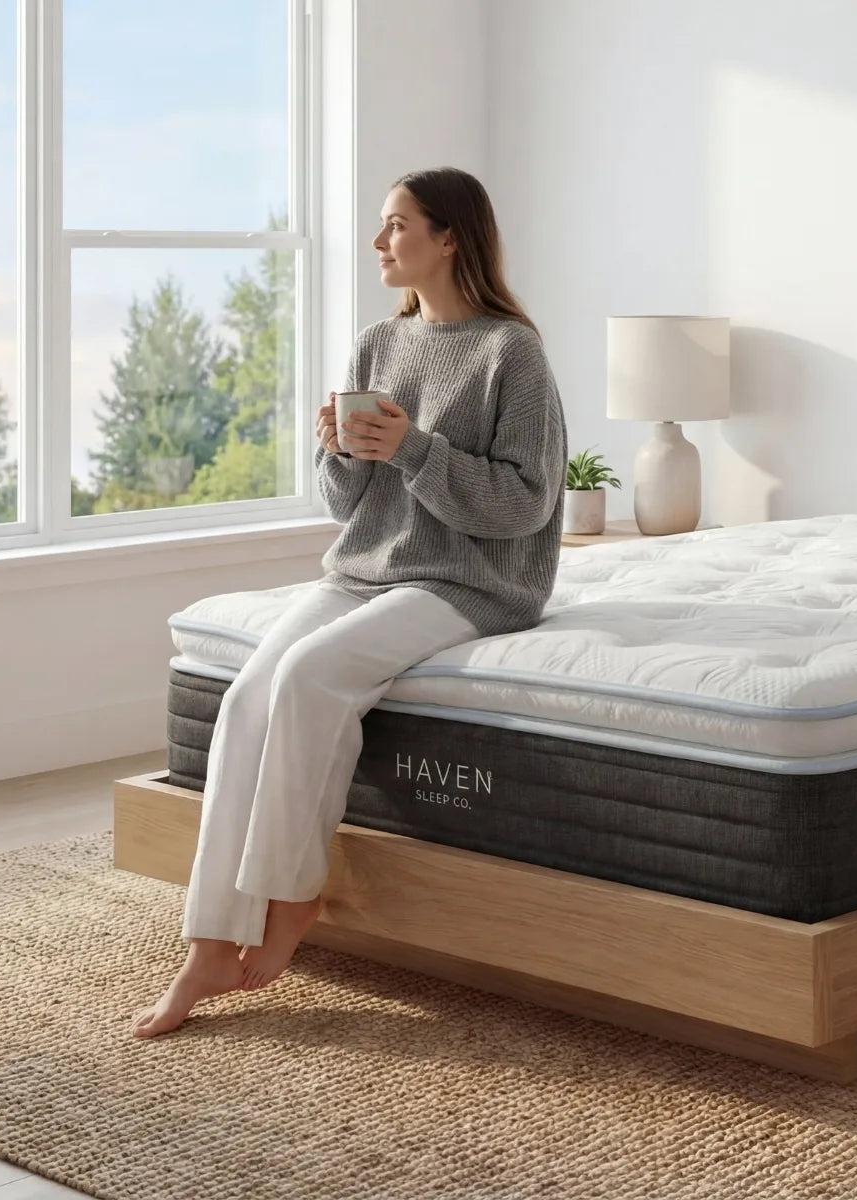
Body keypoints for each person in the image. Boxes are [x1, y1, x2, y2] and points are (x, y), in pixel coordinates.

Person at [132, 167, 568, 1037]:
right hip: (363, 566)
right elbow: (346, 506)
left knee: (312, 679)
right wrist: (340, 450)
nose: (380, 243)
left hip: (472, 582)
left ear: (450, 238)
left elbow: (525, 503)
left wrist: (413, 449)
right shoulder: (378, 343)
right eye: (381, 227)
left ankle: (291, 898)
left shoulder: (509, 353)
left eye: (397, 226)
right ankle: (212, 942)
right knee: (253, 690)